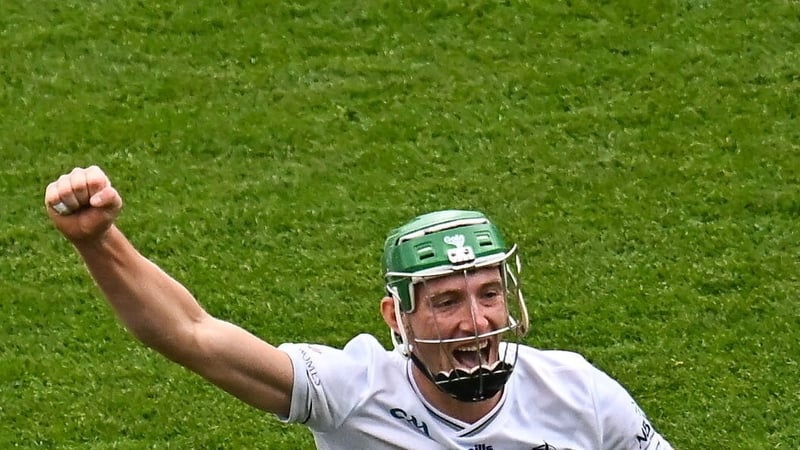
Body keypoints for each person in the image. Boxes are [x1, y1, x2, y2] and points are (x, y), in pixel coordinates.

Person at [45, 165, 674, 449]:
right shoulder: (353, 391)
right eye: (447, 301)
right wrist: (101, 242)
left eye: (488, 293)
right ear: (395, 318)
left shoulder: (579, 393)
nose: (476, 321)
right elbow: (191, 333)